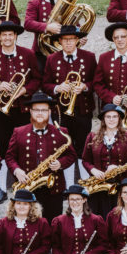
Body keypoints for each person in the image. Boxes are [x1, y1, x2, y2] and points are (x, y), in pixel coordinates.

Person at [0, 21, 41, 196]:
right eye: (4, 35)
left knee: (24, 146)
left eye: (10, 34)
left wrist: (25, 89)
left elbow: (36, 79)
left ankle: (26, 183)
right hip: (0, 110)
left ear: (15, 36)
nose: (7, 38)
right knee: (2, 146)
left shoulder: (27, 54)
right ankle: (1, 187)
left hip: (22, 109)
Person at [6, 92, 77, 221]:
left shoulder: (61, 132)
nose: (40, 113)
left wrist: (60, 163)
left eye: (43, 110)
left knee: (53, 223)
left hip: (53, 188)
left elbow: (72, 155)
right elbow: (10, 157)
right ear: (30, 111)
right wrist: (17, 171)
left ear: (49, 112)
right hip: (28, 186)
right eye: (36, 110)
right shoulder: (18, 132)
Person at [43, 25, 96, 176]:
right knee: (64, 147)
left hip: (83, 110)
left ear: (77, 40)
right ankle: (68, 183)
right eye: (65, 40)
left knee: (82, 146)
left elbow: (96, 81)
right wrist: (57, 88)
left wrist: (85, 86)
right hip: (60, 111)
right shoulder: (52, 59)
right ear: (59, 41)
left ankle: (84, 182)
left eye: (71, 39)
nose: (68, 43)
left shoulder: (89, 57)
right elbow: (45, 84)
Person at [81, 103, 127, 216]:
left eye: (115, 116)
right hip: (98, 186)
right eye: (108, 117)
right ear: (103, 119)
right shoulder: (92, 136)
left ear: (120, 119)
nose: (111, 119)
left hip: (121, 187)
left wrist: (120, 168)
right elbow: (85, 160)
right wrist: (93, 170)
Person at [23, 0, 67, 67]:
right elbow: (28, 23)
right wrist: (47, 27)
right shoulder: (34, 2)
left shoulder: (65, 2)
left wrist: (79, 36)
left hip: (63, 49)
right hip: (41, 51)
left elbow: (75, 22)